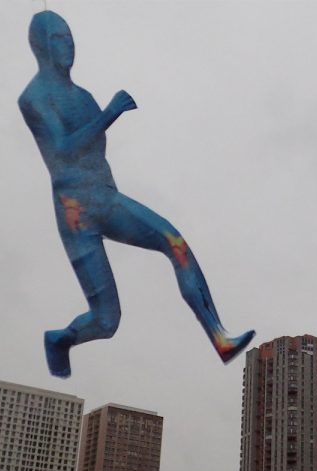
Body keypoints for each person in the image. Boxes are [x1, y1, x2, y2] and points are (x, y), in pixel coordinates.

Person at [19, 10, 254, 378]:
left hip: (107, 198)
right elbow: (64, 149)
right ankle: (60, 340)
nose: (69, 46)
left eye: (70, 38)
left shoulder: (82, 96)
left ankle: (219, 337)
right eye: (59, 39)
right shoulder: (33, 97)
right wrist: (110, 113)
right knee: (107, 320)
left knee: (173, 240)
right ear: (41, 46)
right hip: (76, 214)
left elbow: (94, 148)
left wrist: (104, 114)